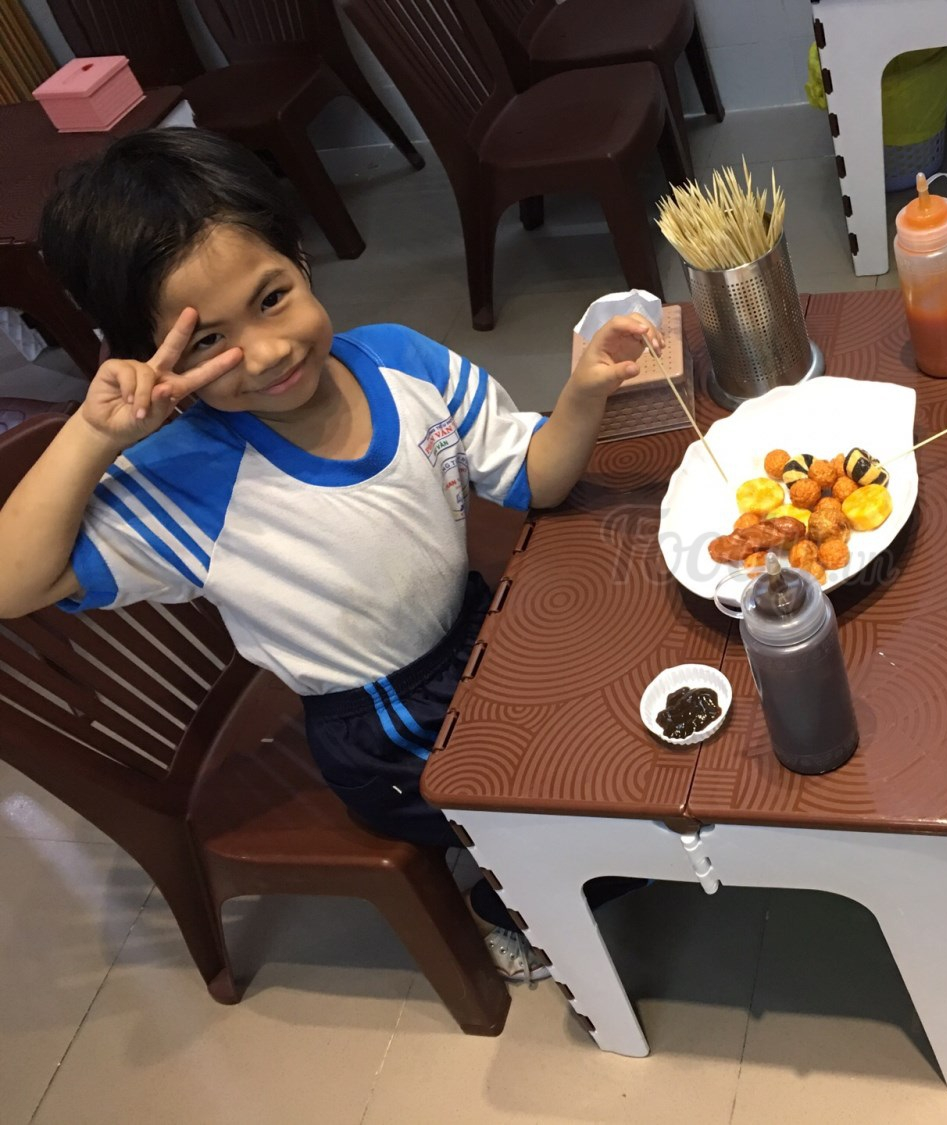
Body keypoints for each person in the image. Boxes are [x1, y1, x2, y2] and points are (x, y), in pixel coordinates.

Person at [0, 128, 661, 983]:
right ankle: (508, 908)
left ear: (300, 259)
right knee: (606, 815)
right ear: (148, 358)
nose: (267, 351)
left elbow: (534, 477)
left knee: (632, 698)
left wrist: (582, 394)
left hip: (477, 632)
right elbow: (13, 583)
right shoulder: (188, 477)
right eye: (206, 341)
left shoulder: (399, 360)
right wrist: (91, 436)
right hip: (387, 733)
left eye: (272, 297)